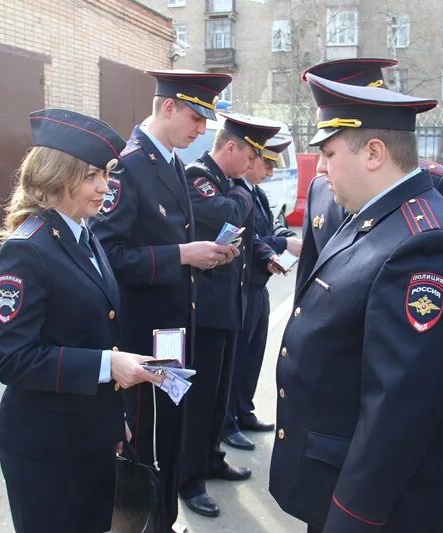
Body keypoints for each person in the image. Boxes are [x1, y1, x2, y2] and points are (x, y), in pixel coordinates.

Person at [270, 72, 443, 532]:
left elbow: (399, 410)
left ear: (373, 153)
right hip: (337, 475)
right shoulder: (373, 214)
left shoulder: (426, 245)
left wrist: (351, 519)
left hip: (379, 506)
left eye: (328, 154)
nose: (320, 169)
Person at [0, 108, 163, 533]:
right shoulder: (27, 249)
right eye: (91, 176)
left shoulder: (83, 235)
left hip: (89, 434)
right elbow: (13, 359)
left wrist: (112, 420)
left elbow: (95, 327)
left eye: (104, 174)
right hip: (45, 447)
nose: (105, 186)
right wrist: (109, 365)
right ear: (55, 177)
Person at [89, 69, 236, 532]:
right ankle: (146, 522)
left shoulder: (170, 161)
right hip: (142, 332)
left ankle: (165, 519)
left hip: (174, 328)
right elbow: (107, 255)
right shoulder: (127, 167)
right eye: (195, 118)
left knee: (171, 431)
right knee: (146, 441)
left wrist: (202, 258)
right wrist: (180, 255)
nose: (201, 131)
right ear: (167, 107)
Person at [179, 112, 282, 516]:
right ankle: (188, 480)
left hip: (228, 306)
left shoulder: (229, 183)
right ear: (232, 147)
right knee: (197, 400)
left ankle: (210, 459)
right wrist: (240, 193)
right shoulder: (198, 175)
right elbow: (225, 214)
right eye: (252, 156)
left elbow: (244, 229)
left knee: (218, 398)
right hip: (202, 310)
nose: (253, 166)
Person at [294, 59, 443, 293]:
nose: (321, 167)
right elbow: (309, 278)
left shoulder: (435, 185)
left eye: (330, 152)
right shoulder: (319, 188)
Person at [223, 137, 302, 451]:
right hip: (242, 286)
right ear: (251, 160)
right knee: (237, 357)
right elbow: (249, 239)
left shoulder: (258, 194)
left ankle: (244, 410)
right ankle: (227, 422)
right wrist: (279, 248)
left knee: (253, 354)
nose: (269, 172)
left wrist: (284, 237)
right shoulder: (236, 192)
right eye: (266, 164)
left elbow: (274, 227)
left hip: (259, 286)